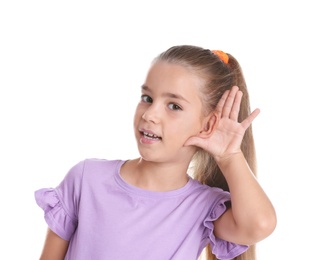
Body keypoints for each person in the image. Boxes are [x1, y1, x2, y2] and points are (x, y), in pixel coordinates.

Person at [35, 45, 276, 260]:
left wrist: (229, 157)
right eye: (147, 98)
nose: (149, 114)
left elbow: (259, 225)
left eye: (174, 106)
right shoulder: (86, 179)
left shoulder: (202, 208)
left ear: (209, 125)